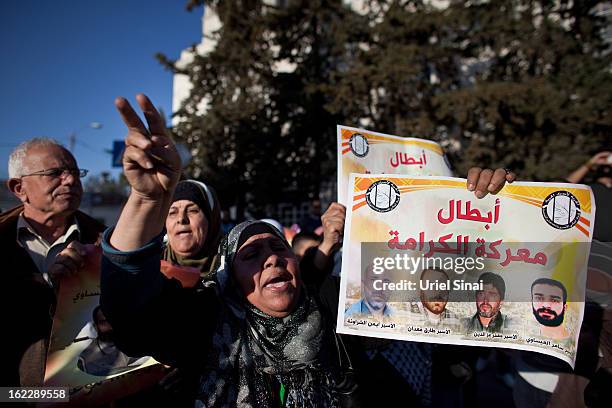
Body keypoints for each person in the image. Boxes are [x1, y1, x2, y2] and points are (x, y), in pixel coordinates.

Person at [101, 93, 517, 407]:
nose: (270, 259)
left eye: (277, 248)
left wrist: (477, 212)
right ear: (228, 281)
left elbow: (449, 294)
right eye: (250, 255)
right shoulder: (204, 324)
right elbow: (132, 316)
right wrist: (145, 201)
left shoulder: (342, 314)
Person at [1, 138, 105, 386]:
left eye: (75, 173)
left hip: (89, 392)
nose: (70, 181)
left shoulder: (105, 242)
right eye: (55, 173)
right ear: (18, 188)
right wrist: (49, 287)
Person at [162, 178, 221, 283]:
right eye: (172, 212)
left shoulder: (236, 267)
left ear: (211, 219)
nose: (181, 219)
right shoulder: (148, 268)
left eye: (192, 210)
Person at [77, 306, 147, 377]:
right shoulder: (86, 359)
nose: (110, 326)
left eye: (113, 320)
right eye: (104, 322)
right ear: (96, 326)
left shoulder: (130, 343)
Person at [566, 150, 611, 242]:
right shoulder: (586, 189)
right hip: (586, 244)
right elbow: (561, 187)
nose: (606, 170)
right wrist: (589, 163)